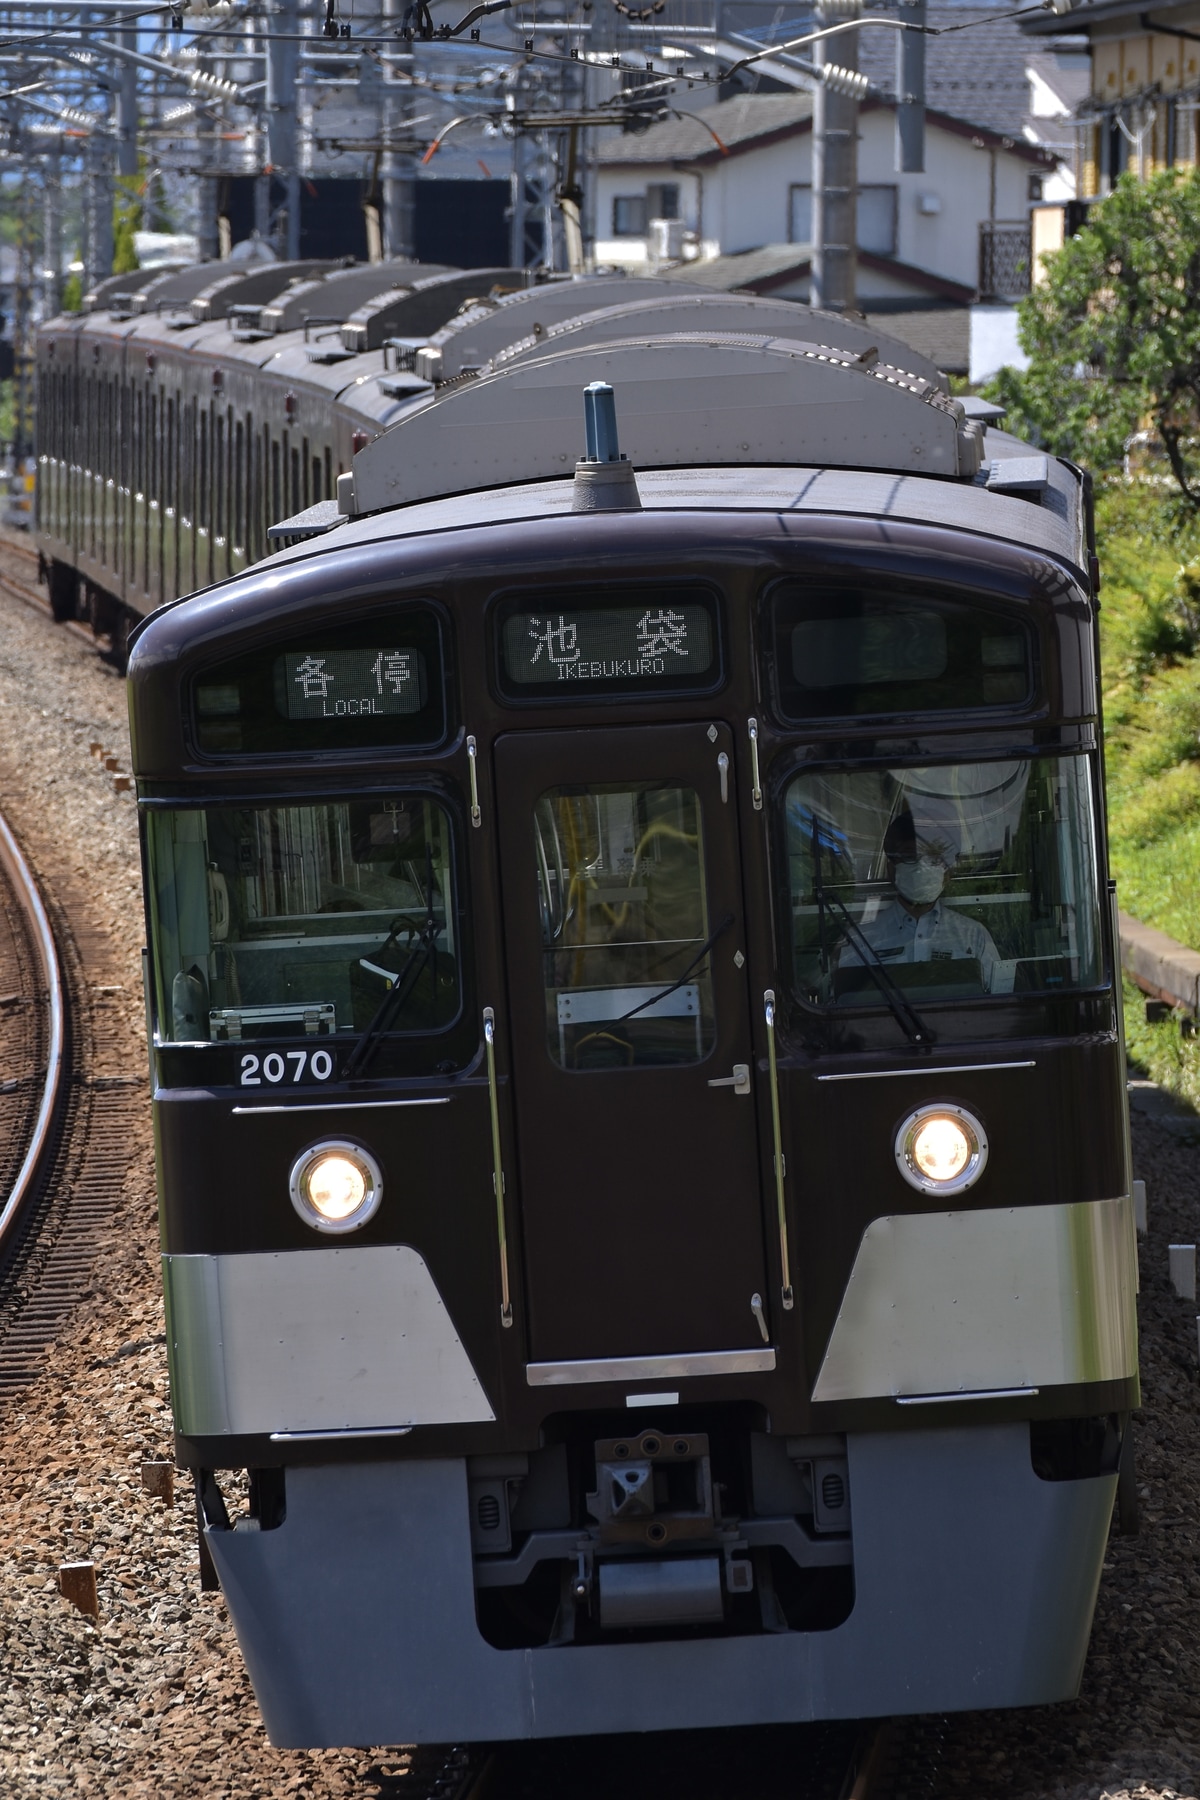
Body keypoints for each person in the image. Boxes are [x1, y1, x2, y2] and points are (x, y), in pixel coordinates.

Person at [835, 810, 1002, 993]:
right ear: (892, 869)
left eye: (933, 858)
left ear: (947, 873)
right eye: (910, 855)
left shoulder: (974, 936)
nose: (921, 867)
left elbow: (999, 1001)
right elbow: (847, 1007)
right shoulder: (861, 941)